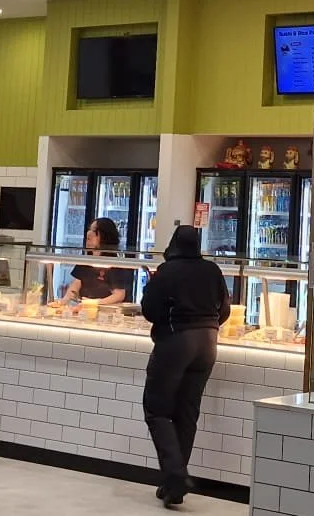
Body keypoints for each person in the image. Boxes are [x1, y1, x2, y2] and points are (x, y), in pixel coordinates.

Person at [140, 225, 229, 507]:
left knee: (157, 411)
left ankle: (176, 476)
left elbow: (149, 310)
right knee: (187, 412)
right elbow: (224, 309)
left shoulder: (168, 271)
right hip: (208, 343)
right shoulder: (212, 270)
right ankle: (172, 483)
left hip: (177, 342)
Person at [63, 217, 132, 304]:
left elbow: (119, 295)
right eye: (89, 229)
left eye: (94, 230)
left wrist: (95, 303)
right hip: (84, 310)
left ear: (105, 236)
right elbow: (75, 285)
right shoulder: (86, 260)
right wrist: (65, 300)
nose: (89, 233)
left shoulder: (114, 264)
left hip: (107, 312)